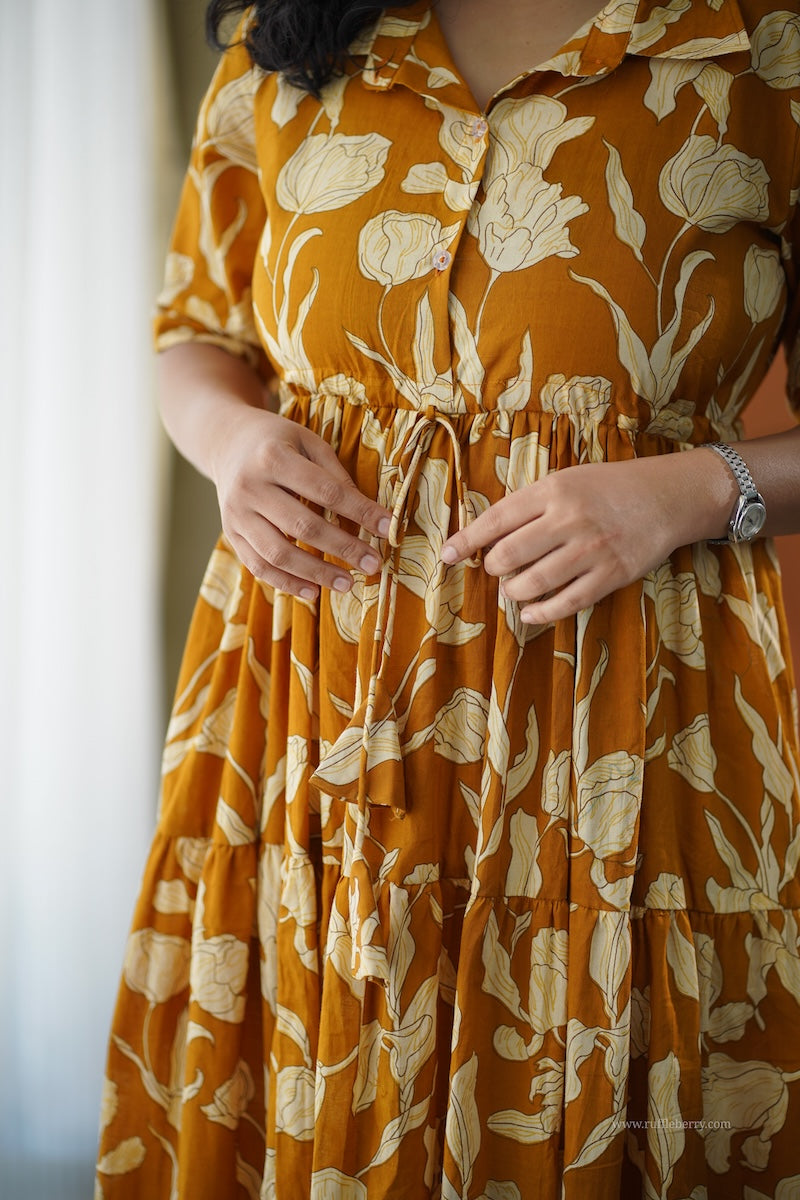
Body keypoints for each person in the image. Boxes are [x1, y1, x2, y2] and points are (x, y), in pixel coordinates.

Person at [95, 0, 800, 1195]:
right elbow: (196, 331)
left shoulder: (753, 46)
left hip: (623, 721)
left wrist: (689, 491)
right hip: (304, 712)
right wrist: (230, 443)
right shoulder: (284, 43)